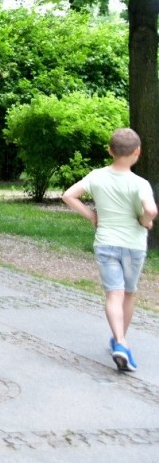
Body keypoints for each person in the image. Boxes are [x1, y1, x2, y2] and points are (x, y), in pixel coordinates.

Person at [62, 128, 157, 372]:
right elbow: (151, 210)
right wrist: (145, 220)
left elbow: (68, 195)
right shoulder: (140, 183)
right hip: (133, 246)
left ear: (109, 150)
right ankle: (120, 341)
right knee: (128, 294)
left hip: (106, 243)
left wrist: (92, 216)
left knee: (113, 294)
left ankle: (120, 342)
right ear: (138, 151)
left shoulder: (96, 176)